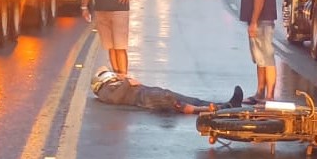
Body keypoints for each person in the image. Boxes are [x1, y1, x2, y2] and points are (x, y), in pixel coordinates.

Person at [91, 66, 244, 114]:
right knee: (174, 101)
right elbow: (115, 99)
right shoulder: (105, 90)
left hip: (147, 92)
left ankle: (224, 105)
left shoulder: (110, 85)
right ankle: (220, 109)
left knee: (189, 99)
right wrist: (126, 82)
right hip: (143, 97)